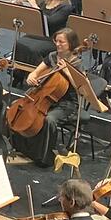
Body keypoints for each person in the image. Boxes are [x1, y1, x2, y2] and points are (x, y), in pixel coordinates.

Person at [12, 28, 82, 167]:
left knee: (49, 120)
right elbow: (36, 72)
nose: (57, 44)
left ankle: (44, 157)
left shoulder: (76, 63)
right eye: (56, 41)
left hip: (66, 104)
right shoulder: (53, 56)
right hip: (45, 96)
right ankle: (22, 149)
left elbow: (80, 88)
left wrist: (67, 72)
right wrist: (31, 77)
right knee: (18, 108)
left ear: (71, 44)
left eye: (61, 42)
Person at [12, 0, 74, 88]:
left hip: (53, 39)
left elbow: (51, 22)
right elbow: (33, 18)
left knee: (33, 49)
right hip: (38, 36)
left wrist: (35, 6)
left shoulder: (66, 7)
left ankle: (38, 77)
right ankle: (18, 74)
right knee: (20, 42)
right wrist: (21, 5)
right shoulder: (44, 3)